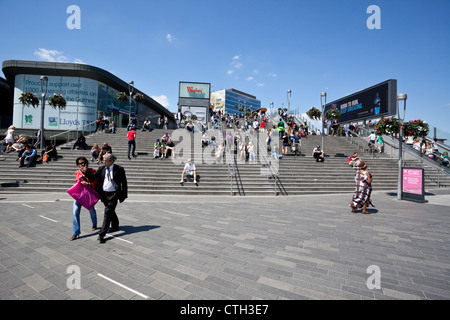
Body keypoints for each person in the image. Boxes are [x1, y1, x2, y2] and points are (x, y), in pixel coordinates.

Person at [81, 153, 127, 243]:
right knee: (110, 211)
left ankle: (102, 234)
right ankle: (115, 225)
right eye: (103, 160)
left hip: (114, 194)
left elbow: (124, 183)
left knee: (107, 212)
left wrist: (123, 195)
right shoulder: (102, 168)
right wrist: (86, 172)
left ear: (111, 161)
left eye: (105, 161)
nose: (103, 162)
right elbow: (93, 178)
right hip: (104, 194)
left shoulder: (119, 169)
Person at [71, 157, 98, 241]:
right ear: (78, 165)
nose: (83, 164)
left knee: (91, 210)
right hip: (79, 195)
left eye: (84, 162)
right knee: (75, 212)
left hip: (88, 195)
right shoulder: (77, 173)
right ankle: (76, 232)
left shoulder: (92, 171)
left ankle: (94, 224)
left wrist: (88, 183)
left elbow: (96, 182)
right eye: (81, 163)